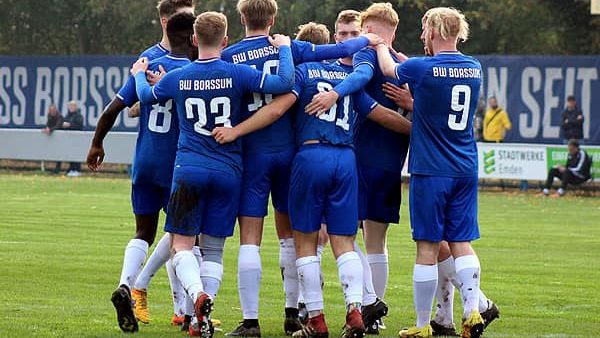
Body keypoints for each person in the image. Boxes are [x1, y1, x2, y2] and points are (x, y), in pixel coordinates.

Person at [212, 20, 410, 338]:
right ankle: (356, 310)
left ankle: (315, 318)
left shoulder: (301, 74)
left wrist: (237, 130)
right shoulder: (346, 76)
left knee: (304, 240)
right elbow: (372, 106)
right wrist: (419, 130)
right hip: (346, 160)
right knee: (344, 242)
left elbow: (277, 109)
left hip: (310, 156)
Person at [132, 11, 295, 337]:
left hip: (189, 169)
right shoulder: (237, 73)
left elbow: (147, 97)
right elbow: (284, 83)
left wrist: (139, 74)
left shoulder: (179, 76)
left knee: (182, 245)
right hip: (228, 170)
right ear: (224, 40)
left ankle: (197, 297)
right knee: (215, 250)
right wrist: (286, 49)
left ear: (194, 39)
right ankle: (202, 319)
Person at [376, 6, 486, 337]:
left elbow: (389, 68)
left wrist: (380, 44)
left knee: (426, 246)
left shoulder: (421, 67)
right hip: (465, 166)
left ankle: (423, 325)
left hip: (431, 169)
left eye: (425, 30)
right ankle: (472, 314)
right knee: (462, 242)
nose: (423, 36)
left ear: (435, 32)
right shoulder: (474, 67)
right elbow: (438, 88)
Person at [86, 8, 196, 333]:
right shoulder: (194, 69)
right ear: (192, 36)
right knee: (184, 239)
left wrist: (96, 144)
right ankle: (183, 311)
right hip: (178, 163)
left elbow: (113, 108)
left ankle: (125, 285)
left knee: (144, 233)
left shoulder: (145, 60)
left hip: (145, 159)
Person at [306, 4, 411, 323]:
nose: (360, 39)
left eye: (361, 33)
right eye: (348, 34)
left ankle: (365, 304)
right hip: (390, 161)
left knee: (343, 235)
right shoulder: (404, 65)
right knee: (374, 240)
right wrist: (414, 116)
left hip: (360, 159)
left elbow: (370, 107)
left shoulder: (365, 58)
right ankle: (373, 310)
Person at [62, 101, 84, 177]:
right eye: (70, 106)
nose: (71, 107)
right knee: (70, 154)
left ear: (76, 107)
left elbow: (79, 125)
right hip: (69, 139)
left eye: (73, 106)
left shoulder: (79, 116)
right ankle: (71, 169)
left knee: (76, 154)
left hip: (77, 139)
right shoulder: (67, 116)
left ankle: (77, 170)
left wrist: (70, 125)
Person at [41, 104, 63, 174]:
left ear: (56, 110)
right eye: (50, 110)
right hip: (53, 138)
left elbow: (58, 126)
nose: (52, 112)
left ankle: (58, 169)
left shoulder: (60, 116)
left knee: (60, 153)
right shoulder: (49, 116)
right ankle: (52, 168)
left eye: (53, 110)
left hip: (62, 139)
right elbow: (48, 124)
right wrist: (47, 128)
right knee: (54, 152)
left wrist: (50, 130)